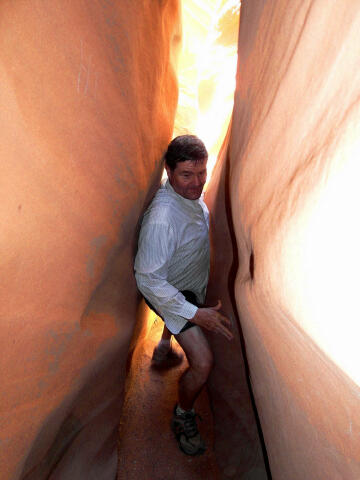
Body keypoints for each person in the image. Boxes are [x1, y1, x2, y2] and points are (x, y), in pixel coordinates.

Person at [134, 135, 233, 456]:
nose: (196, 183)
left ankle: (164, 346)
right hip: (170, 293)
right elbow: (148, 280)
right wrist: (194, 314)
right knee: (203, 363)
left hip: (184, 283)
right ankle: (183, 415)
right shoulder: (163, 219)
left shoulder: (187, 196)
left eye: (202, 173)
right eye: (187, 175)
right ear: (168, 170)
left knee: (183, 306)